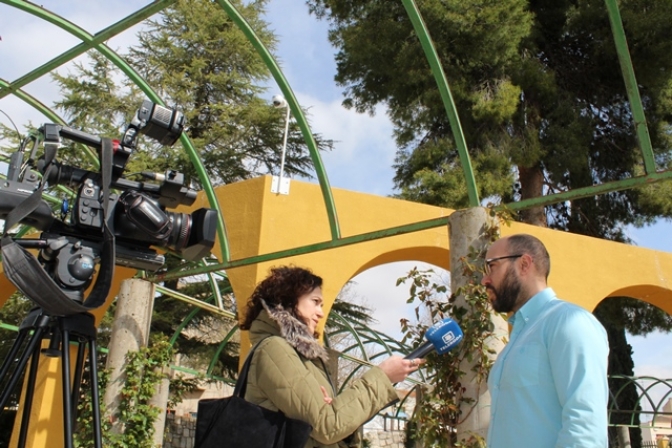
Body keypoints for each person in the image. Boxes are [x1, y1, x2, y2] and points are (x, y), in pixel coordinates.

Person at [239, 265, 422, 448]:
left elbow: (325, 428)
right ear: (287, 299)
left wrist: (339, 414)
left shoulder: (301, 358)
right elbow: (327, 426)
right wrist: (383, 376)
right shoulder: (274, 349)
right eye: (315, 301)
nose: (320, 312)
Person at [481, 233, 609, 448]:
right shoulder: (518, 337)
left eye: (492, 267)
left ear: (523, 264)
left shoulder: (568, 321)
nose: (485, 279)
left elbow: (586, 425)